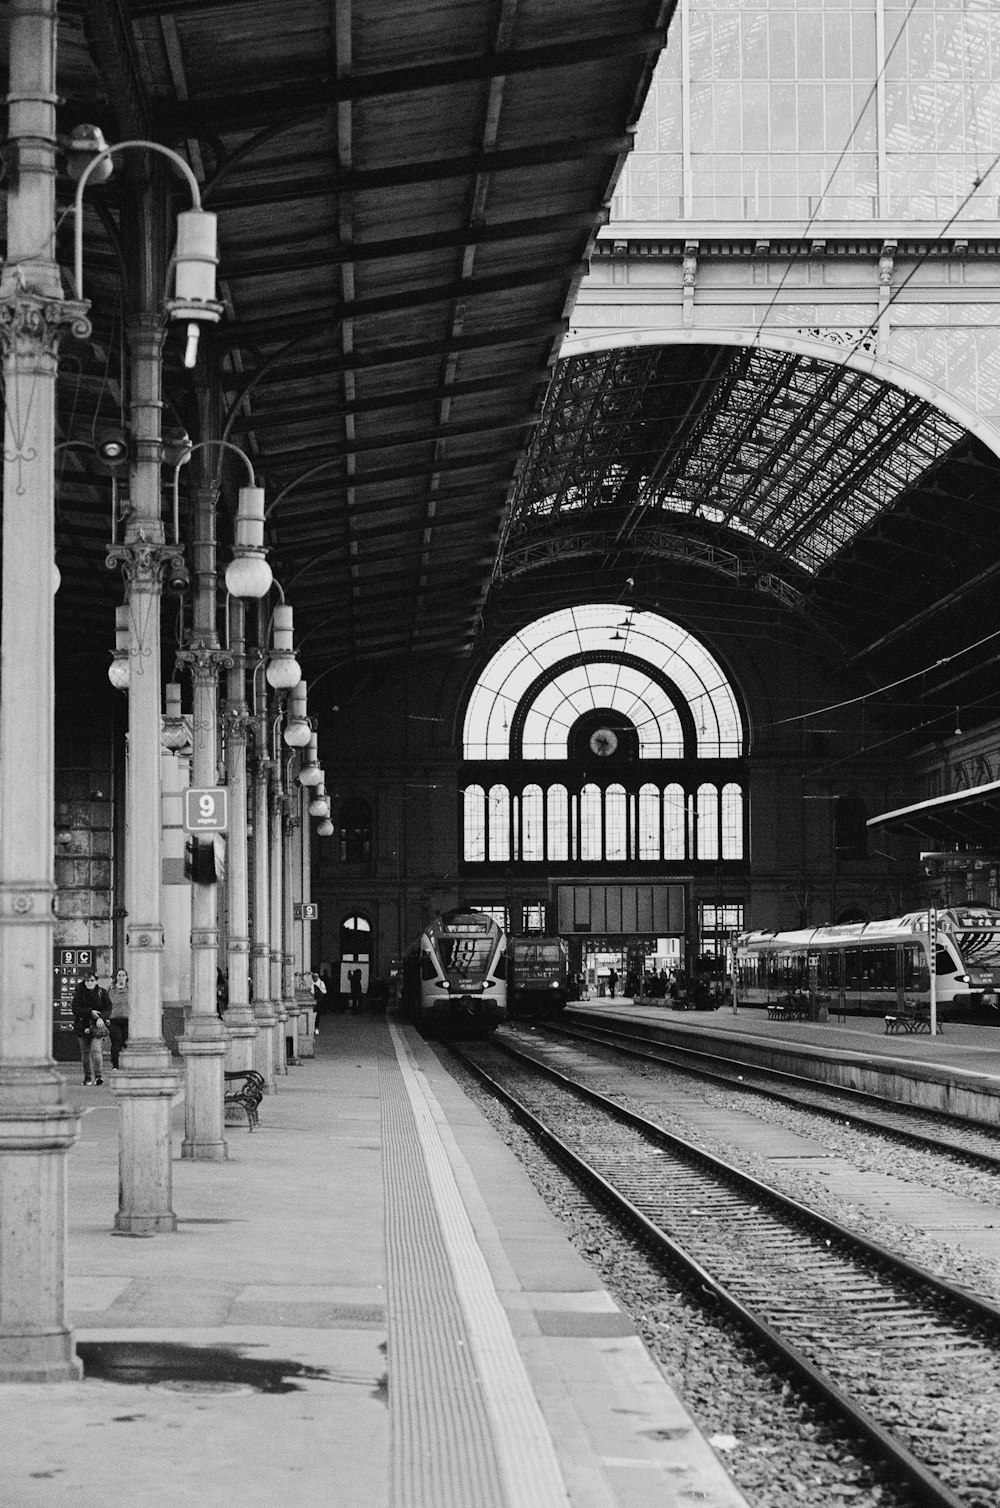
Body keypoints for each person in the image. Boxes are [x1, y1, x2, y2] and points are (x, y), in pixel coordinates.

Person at [71, 971, 111, 1085]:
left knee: (96, 1050)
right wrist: (90, 1012)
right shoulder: (79, 993)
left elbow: (108, 1007)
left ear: (96, 981)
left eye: (92, 980)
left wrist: (101, 1018)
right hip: (82, 1025)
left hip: (97, 1026)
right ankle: (87, 1077)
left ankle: (98, 1075)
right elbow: (75, 1009)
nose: (89, 983)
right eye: (87, 980)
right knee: (85, 1053)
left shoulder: (101, 992)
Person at [107, 967, 129, 1070]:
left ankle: (126, 1063)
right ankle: (115, 1065)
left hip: (127, 1020)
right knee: (116, 1042)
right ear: (116, 977)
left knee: (126, 1042)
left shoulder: (130, 990)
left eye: (123, 975)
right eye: (119, 975)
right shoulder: (111, 990)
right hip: (114, 1019)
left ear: (126, 977)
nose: (121, 978)